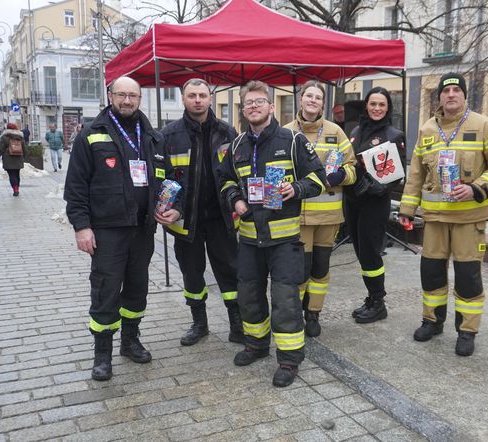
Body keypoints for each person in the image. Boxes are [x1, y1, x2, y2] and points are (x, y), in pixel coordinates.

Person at [218, 80, 325, 387]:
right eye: (248, 102)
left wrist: (296, 188)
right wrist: (235, 200)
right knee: (249, 295)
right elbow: (226, 181)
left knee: (285, 301)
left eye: (259, 101)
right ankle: (256, 344)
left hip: (284, 241)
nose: (254, 106)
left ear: (270, 105)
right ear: (243, 108)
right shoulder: (236, 146)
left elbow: (318, 177)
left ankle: (290, 359)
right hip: (250, 239)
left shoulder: (292, 140)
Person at [64, 76, 171, 381]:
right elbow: (75, 187)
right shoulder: (91, 133)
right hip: (107, 230)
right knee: (106, 290)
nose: (127, 100)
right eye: (121, 95)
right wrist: (81, 227)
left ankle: (130, 341)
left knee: (137, 288)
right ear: (110, 96)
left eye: (133, 96)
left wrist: (168, 204)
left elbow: (164, 179)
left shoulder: (152, 136)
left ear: (140, 98)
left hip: (142, 228)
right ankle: (102, 354)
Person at [398, 73, 488, 356]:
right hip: (434, 218)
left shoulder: (484, 125)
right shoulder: (428, 129)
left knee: (467, 277)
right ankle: (432, 321)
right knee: (432, 274)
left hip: (469, 219)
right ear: (439, 98)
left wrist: (476, 189)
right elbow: (416, 173)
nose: (450, 95)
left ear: (464, 95)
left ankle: (467, 331)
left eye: (456, 90)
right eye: (446, 91)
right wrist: (407, 208)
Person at [155, 78, 244, 346]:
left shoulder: (228, 133)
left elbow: (239, 173)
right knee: (192, 274)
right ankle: (199, 323)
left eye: (202, 95)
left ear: (210, 98)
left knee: (230, 272)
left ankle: (237, 324)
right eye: (192, 95)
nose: (197, 100)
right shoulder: (168, 135)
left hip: (221, 218)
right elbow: (163, 179)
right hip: (185, 220)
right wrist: (170, 209)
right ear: (183, 99)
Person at [283, 81, 356, 337]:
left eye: (318, 97)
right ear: (301, 100)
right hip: (298, 217)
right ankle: (295, 314)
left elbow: (354, 168)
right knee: (300, 271)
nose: (313, 100)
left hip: (328, 216)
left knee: (320, 269)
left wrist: (338, 177)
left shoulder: (336, 132)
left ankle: (313, 314)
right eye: (309, 96)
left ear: (322, 104)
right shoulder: (286, 132)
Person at [344, 87, 405, 324]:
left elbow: (397, 173)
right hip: (352, 200)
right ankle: (371, 297)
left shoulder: (394, 133)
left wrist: (380, 188)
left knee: (371, 253)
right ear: (366, 106)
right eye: (373, 104)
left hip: (375, 203)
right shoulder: (356, 130)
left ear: (388, 107)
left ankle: (379, 302)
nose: (377, 108)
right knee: (360, 252)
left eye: (382, 104)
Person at [0, 123, 27, 197]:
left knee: (11, 174)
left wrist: (0, 155)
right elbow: (24, 147)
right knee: (17, 174)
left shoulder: (4, 137)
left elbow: (1, 148)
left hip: (8, 158)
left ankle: (15, 189)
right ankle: (17, 188)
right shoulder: (20, 136)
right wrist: (24, 155)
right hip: (18, 157)